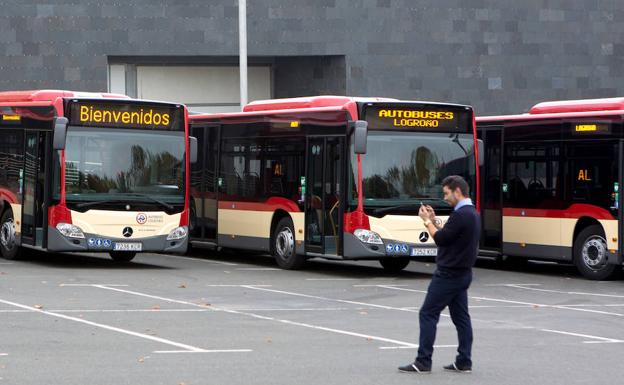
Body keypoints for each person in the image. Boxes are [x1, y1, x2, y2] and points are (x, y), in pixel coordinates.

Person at [398, 175, 481, 374]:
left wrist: (427, 222)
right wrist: (434, 220)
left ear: (457, 191)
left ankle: (423, 361)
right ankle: (464, 361)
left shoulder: (461, 215)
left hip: (448, 274)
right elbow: (452, 236)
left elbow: (442, 239)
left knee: (427, 313)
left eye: (446, 193)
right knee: (461, 318)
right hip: (463, 273)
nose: (444, 198)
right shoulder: (472, 213)